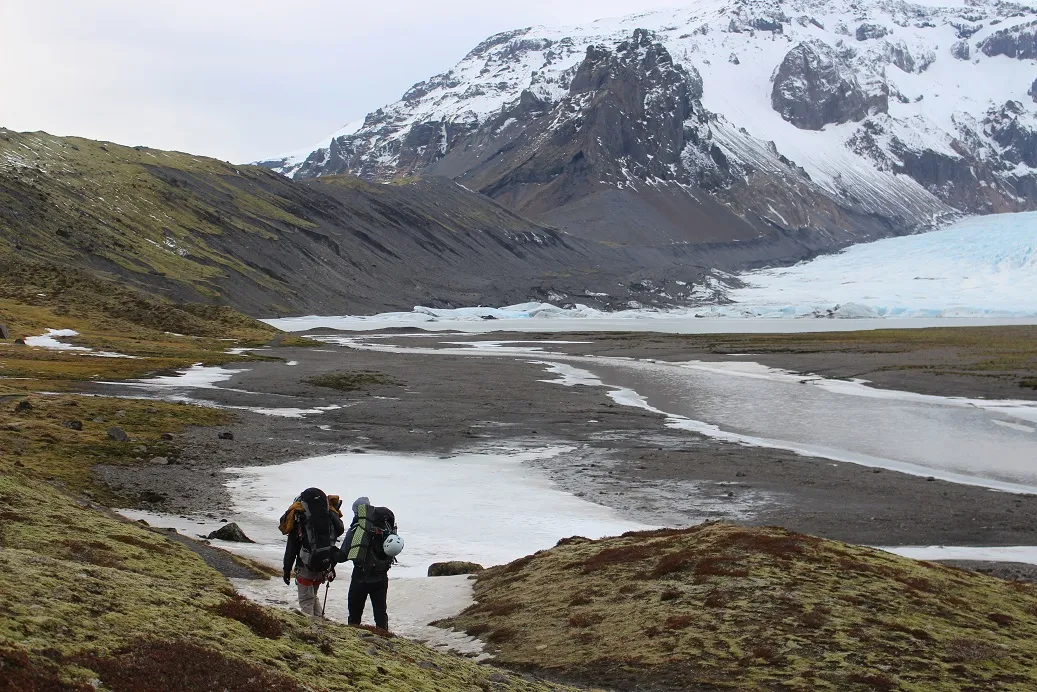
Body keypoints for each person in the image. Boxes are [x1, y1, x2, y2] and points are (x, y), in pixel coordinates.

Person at [280, 488, 344, 617]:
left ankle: (309, 632)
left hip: (306, 565)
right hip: (324, 565)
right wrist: (331, 566)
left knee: (306, 600)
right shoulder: (329, 516)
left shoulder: (300, 519)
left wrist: (287, 570)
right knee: (313, 596)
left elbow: (291, 548)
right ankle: (319, 625)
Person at [343, 496, 400, 631]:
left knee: (355, 613)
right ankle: (384, 637)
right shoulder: (385, 527)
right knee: (380, 613)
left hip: (360, 577)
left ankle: (353, 639)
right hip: (381, 576)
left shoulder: (357, 528)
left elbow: (343, 555)